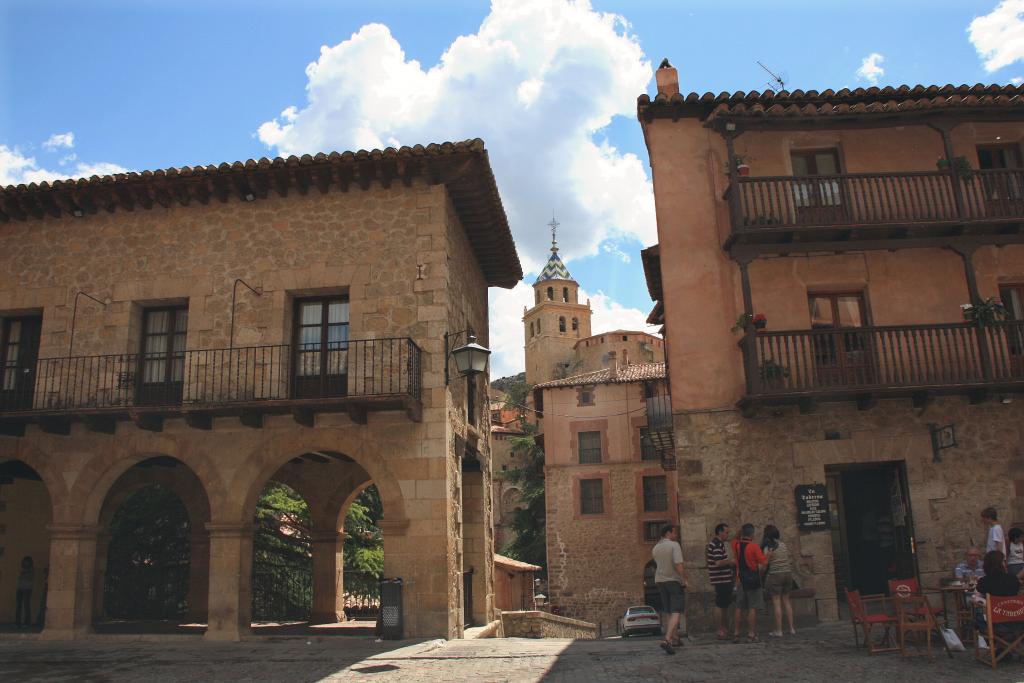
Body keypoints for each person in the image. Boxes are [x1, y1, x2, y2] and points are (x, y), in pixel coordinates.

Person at [732, 523, 769, 643]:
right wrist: (768, 556)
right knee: (752, 607)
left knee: (739, 607)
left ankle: (736, 634)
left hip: (740, 579)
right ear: (752, 534)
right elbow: (763, 563)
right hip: (753, 579)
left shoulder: (736, 545)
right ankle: (751, 634)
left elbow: (735, 539)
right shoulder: (754, 547)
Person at [652, 523, 685, 655]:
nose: (676, 535)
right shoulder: (674, 545)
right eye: (674, 533)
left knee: (668, 611)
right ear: (668, 533)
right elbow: (678, 564)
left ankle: (675, 637)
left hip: (660, 581)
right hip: (673, 580)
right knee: (676, 611)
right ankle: (667, 640)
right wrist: (684, 579)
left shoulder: (655, 548)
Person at [761, 525, 796, 637]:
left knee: (777, 602)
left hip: (776, 575)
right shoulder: (783, 545)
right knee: (786, 601)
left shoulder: (768, 548)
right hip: (788, 574)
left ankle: (779, 630)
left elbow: (765, 565)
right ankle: (791, 628)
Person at [705, 523, 734, 640]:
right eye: (726, 532)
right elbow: (718, 562)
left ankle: (723, 628)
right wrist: (730, 561)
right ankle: (720, 630)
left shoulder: (718, 544)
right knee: (720, 605)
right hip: (720, 579)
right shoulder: (716, 544)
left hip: (723, 579)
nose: (727, 534)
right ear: (720, 532)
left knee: (724, 605)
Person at [15, 556, 34, 629]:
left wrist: (25, 573)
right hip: (20, 588)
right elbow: (19, 577)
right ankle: (17, 622)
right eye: (25, 561)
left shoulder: (32, 570)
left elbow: (30, 578)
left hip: (27, 589)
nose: (26, 563)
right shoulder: (21, 569)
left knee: (26, 606)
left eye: (27, 561)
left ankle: (27, 622)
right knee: (18, 606)